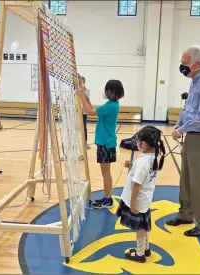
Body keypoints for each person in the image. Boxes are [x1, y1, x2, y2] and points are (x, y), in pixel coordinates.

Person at [167, 46, 200, 237]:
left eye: (184, 63)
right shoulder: (195, 81)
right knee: (186, 179)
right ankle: (185, 214)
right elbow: (189, 107)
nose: (181, 67)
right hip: (193, 135)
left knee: (198, 182)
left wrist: (181, 129)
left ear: (197, 63)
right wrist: (178, 123)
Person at [116, 126, 165, 263]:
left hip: (137, 201)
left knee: (140, 229)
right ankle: (145, 248)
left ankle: (139, 253)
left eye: (137, 141)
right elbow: (144, 175)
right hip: (144, 200)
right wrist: (132, 166)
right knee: (143, 227)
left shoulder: (143, 162)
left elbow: (136, 184)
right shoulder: (151, 158)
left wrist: (132, 205)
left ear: (142, 144)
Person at [76, 80, 124, 209]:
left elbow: (89, 112)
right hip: (106, 142)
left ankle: (108, 199)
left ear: (113, 92)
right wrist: (85, 96)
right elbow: (93, 109)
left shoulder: (110, 106)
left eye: (108, 90)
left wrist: (81, 97)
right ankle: (107, 197)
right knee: (106, 173)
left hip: (106, 143)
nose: (106, 92)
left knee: (106, 173)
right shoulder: (111, 104)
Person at [79, 75, 92, 149]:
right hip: (77, 112)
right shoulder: (76, 90)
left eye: (83, 82)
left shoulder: (87, 91)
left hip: (84, 112)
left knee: (84, 128)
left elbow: (87, 98)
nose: (82, 84)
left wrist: (82, 92)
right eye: (80, 83)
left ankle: (85, 143)